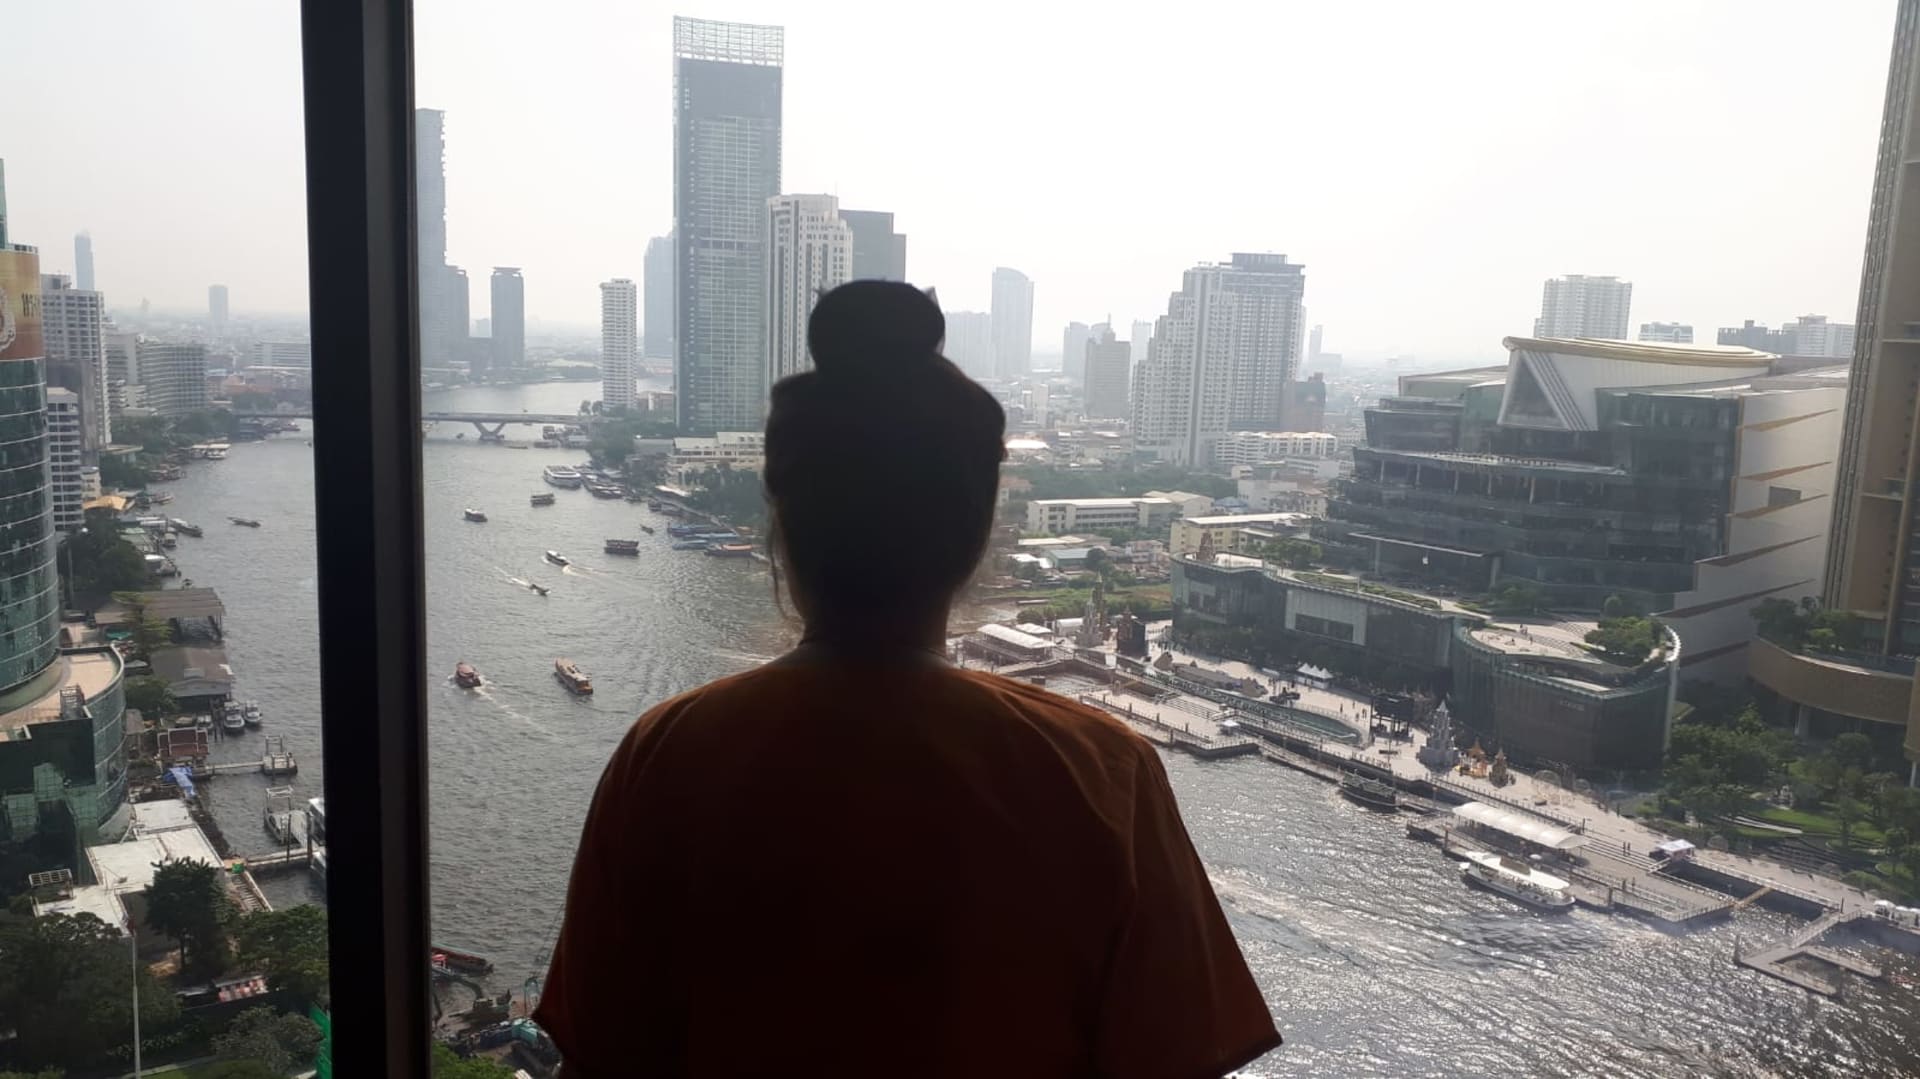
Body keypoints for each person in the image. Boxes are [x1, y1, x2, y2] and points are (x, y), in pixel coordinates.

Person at [535, 281, 1279, 1077]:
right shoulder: (1101, 772)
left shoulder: (667, 756)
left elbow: (600, 1053)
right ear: (975, 537)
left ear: (783, 532)